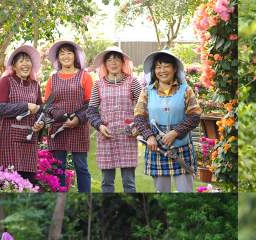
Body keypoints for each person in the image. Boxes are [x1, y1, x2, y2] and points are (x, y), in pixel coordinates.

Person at [134, 50, 202, 192]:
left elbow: (195, 115)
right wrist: (149, 136)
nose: (162, 70)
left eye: (166, 66)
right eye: (158, 67)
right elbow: (139, 117)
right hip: (156, 147)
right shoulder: (147, 91)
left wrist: (175, 132)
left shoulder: (185, 90)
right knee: (161, 193)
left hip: (181, 148)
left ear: (175, 68)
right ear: (154, 70)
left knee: (186, 192)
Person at [86, 46, 142, 193]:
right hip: (106, 136)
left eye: (116, 59)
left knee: (129, 183)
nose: (113, 63)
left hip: (127, 136)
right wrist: (99, 126)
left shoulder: (132, 82)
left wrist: (137, 126)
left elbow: (144, 107)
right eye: (109, 60)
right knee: (106, 183)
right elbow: (91, 111)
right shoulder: (98, 85)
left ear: (122, 62)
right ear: (105, 65)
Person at [45, 40, 93, 192]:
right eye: (62, 53)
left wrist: (78, 119)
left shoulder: (84, 76)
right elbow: (47, 105)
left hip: (79, 128)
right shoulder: (52, 78)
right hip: (58, 128)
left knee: (81, 167)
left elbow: (91, 104)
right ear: (58, 58)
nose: (66, 56)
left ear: (75, 56)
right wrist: (55, 113)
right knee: (59, 168)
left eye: (69, 53)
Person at [0, 45, 46, 184]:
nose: (25, 64)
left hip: (29, 141)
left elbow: (41, 111)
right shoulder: (6, 82)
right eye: (21, 61)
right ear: (14, 66)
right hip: (8, 141)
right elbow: (0, 108)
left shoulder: (35, 85)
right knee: (8, 183)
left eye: (27, 60)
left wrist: (40, 123)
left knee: (27, 183)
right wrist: (25, 105)